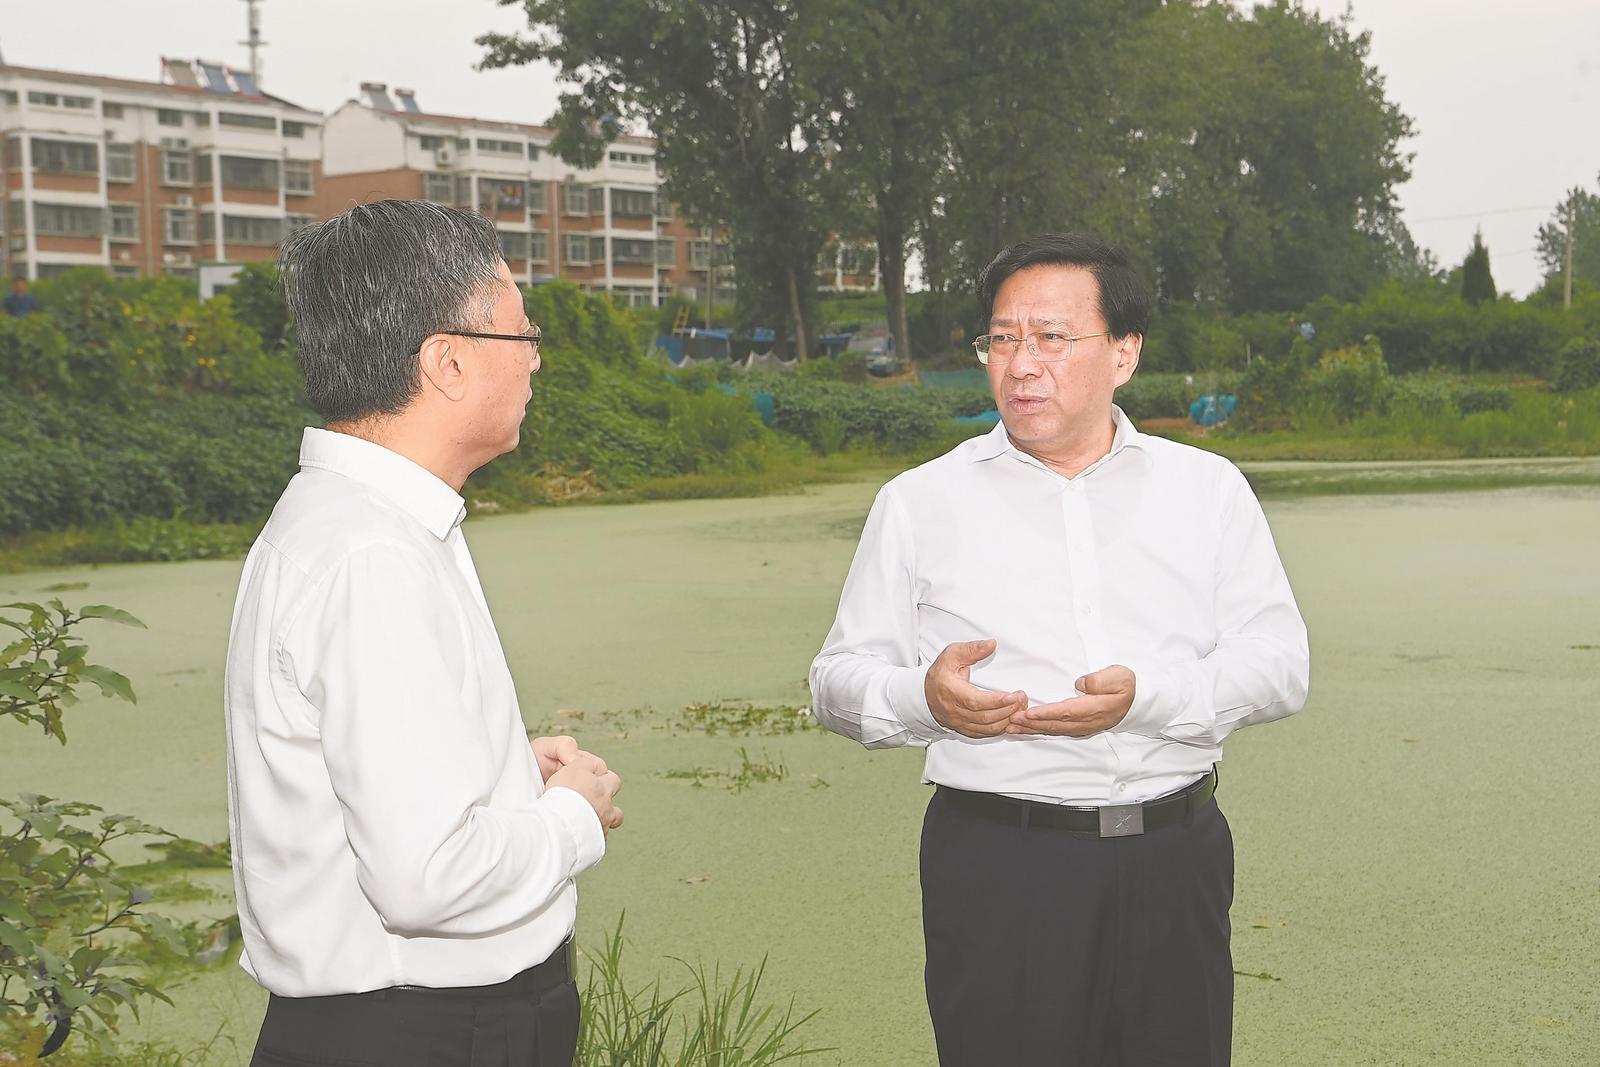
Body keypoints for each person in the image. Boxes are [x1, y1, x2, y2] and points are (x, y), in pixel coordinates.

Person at [810, 232, 1310, 1066]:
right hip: (1001, 866)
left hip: (1175, 860)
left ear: (1124, 352)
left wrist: (1146, 697)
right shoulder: (919, 502)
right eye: (1002, 339)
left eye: (1051, 337)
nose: (1021, 365)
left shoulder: (1207, 489)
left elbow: (1280, 662)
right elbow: (835, 680)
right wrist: (924, 699)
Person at [224, 199, 623, 1067]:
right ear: (447, 360)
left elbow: (373, 774)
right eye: (523, 333)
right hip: (423, 1033)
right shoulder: (372, 556)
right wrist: (572, 815)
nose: (536, 358)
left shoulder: (357, 521)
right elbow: (426, 877)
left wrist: (504, 768)